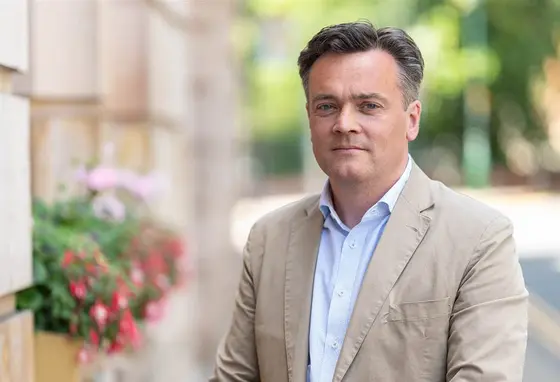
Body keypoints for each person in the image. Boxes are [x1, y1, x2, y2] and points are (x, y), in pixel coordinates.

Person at [210, 20, 528, 382]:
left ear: (412, 120)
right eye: (327, 106)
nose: (345, 123)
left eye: (368, 106)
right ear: (310, 118)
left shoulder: (480, 238)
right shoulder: (268, 239)